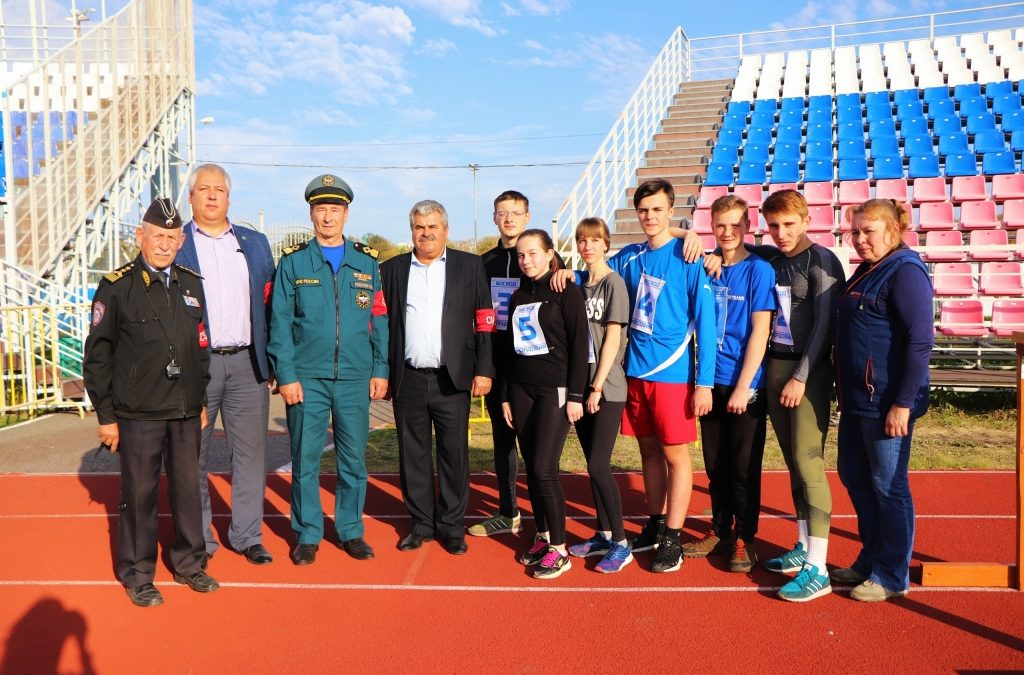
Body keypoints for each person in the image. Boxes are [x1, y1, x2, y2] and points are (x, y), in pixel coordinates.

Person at [553, 178, 715, 574]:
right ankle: (656, 525)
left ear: (671, 211)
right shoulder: (630, 257)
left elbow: (706, 323)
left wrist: (705, 382)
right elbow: (598, 274)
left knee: (675, 455)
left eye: (658, 210)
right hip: (635, 373)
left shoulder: (689, 257)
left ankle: (673, 538)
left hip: (672, 373)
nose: (649, 217)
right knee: (648, 452)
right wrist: (569, 275)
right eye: (643, 210)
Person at [83, 197, 219, 607]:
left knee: (188, 491)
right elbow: (98, 356)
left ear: (181, 241)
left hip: (184, 411)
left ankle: (190, 563)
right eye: (157, 236)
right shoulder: (117, 286)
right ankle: (138, 573)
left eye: (171, 238)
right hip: (138, 413)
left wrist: (199, 400)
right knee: (139, 496)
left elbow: (201, 348)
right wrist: (106, 416)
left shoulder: (191, 283)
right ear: (141, 235)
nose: (164, 244)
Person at [267, 174, 389, 566]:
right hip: (307, 378)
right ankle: (307, 534)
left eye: (335, 209)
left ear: (346, 213)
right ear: (311, 213)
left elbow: (379, 318)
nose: (328, 216)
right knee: (305, 460)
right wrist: (286, 374)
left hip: (355, 377)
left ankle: (350, 530)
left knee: (353, 460)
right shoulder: (293, 262)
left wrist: (380, 368)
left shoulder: (367, 262)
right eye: (321, 209)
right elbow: (279, 322)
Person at [380, 200, 495, 556]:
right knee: (412, 455)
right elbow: (382, 326)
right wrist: (381, 372)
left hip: (452, 377)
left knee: (454, 455)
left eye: (432, 226)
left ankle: (451, 526)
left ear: (445, 229)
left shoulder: (470, 266)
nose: (426, 233)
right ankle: (420, 524)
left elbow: (484, 320)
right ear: (411, 230)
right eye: (419, 227)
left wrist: (484, 369)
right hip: (408, 377)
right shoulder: (392, 270)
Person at [176, 163, 276, 566]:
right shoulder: (176, 241)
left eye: (219, 189)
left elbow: (270, 303)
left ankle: (248, 536)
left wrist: (272, 362)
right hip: (196, 368)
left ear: (229, 198)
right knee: (192, 457)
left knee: (250, 456)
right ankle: (199, 539)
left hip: (248, 365)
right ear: (191, 197)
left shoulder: (255, 243)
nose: (212, 195)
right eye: (204, 189)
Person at [833, 199, 933, 602]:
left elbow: (920, 342)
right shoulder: (867, 269)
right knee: (854, 475)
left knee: (888, 484)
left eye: (868, 231)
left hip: (887, 401)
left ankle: (892, 575)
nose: (859, 239)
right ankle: (870, 557)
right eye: (855, 232)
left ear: (893, 230)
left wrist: (902, 404)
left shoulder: (905, 271)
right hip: (858, 399)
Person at [755, 189, 845, 602]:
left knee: (809, 465)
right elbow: (730, 250)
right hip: (775, 367)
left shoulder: (822, 260)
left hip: (806, 374)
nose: (781, 233)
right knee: (793, 463)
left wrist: (802, 377)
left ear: (807, 221)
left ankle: (819, 568)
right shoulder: (772, 259)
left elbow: (825, 325)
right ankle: (804, 545)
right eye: (773, 226)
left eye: (789, 224)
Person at [683, 196, 775, 574]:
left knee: (742, 468)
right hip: (711, 381)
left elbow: (760, 332)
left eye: (735, 224)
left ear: (748, 226)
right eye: (720, 225)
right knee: (715, 465)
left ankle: (745, 537)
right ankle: (720, 530)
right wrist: (688, 235)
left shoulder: (759, 270)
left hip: (745, 384)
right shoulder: (707, 265)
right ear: (711, 226)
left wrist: (743, 386)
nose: (727, 232)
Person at [501, 229, 589, 579]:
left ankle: (560, 549)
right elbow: (509, 348)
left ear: (550, 254)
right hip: (521, 389)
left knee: (544, 469)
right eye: (521, 255)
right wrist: (505, 395)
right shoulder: (518, 294)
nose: (526, 261)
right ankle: (543, 535)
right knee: (531, 468)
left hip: (556, 389)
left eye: (533, 253)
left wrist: (576, 395)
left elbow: (580, 345)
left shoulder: (566, 290)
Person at [470, 190, 548, 538]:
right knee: (503, 441)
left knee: (535, 445)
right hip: (497, 362)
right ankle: (508, 512)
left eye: (516, 213)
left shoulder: (542, 257)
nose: (509, 219)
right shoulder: (483, 262)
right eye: (502, 213)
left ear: (527, 216)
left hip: (533, 364)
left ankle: (545, 521)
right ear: (494, 218)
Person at [565, 218, 633, 573]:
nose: (588, 246)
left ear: (606, 244)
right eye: (582, 240)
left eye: (594, 240)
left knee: (597, 465)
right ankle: (604, 534)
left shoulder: (613, 283)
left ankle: (621, 543)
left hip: (607, 388)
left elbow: (613, 339)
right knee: (592, 466)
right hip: (583, 386)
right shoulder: (579, 283)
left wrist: (596, 386)